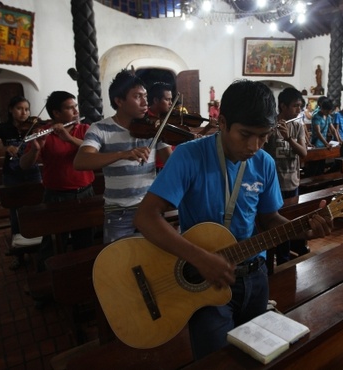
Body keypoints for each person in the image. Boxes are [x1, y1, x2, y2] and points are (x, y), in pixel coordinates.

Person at [133, 79, 332, 359]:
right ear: (223, 122)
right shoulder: (190, 156)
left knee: (257, 357)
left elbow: (268, 220)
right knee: (216, 359)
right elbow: (146, 217)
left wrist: (303, 231)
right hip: (203, 280)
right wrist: (200, 259)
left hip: (255, 275)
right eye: (245, 134)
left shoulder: (263, 163)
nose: (254, 146)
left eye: (263, 136)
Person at [73, 69, 172, 243]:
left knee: (155, 260)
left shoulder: (154, 128)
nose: (145, 103)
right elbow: (81, 161)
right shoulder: (100, 129)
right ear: (119, 101)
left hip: (150, 208)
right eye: (137, 97)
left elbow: (171, 163)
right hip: (118, 212)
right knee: (119, 263)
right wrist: (122, 154)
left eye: (145, 96)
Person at [19, 91, 95, 271]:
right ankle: (49, 281)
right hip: (56, 197)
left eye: (76, 107)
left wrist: (68, 138)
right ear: (56, 113)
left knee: (85, 242)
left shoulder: (84, 129)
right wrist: (35, 149)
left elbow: (94, 152)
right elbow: (24, 165)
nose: (76, 111)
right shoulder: (43, 132)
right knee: (52, 244)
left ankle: (84, 277)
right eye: (70, 108)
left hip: (85, 194)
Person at [0, 95, 42, 269]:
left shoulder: (33, 126)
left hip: (32, 172)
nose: (24, 112)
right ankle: (19, 254)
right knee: (15, 214)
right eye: (19, 108)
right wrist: (5, 147)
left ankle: (39, 247)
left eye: (26, 109)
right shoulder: (2, 128)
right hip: (12, 173)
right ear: (10, 109)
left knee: (37, 210)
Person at [262, 87, 309, 265]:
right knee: (271, 224)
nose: (299, 110)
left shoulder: (297, 126)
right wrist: (269, 134)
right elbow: (261, 152)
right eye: (295, 106)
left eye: (300, 106)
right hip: (273, 184)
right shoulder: (270, 124)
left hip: (292, 183)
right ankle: (268, 260)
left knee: (288, 224)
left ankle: (284, 259)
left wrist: (289, 138)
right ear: (283, 106)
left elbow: (303, 153)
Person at [147, 82, 174, 172]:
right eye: (167, 99)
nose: (171, 103)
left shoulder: (164, 117)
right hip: (159, 168)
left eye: (171, 99)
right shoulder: (147, 119)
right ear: (156, 100)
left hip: (169, 163)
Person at [309, 98, 339, 176]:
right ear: (322, 108)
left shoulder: (328, 117)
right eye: (327, 111)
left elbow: (333, 130)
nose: (328, 112)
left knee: (321, 165)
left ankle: (320, 181)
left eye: (329, 111)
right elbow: (318, 132)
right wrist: (326, 143)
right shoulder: (316, 117)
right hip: (316, 143)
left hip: (323, 144)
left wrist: (338, 140)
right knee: (315, 166)